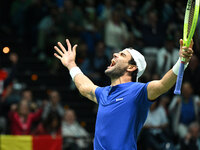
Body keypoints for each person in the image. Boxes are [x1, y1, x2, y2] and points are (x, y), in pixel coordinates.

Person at [53, 39, 193, 150]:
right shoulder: (104, 93)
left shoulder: (138, 91)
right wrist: (71, 64)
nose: (114, 54)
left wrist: (182, 62)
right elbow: (84, 87)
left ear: (131, 67)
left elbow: (162, 84)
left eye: (122, 55)